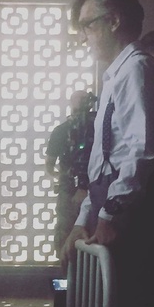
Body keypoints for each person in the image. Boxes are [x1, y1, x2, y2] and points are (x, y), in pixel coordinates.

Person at [63, 0, 154, 307]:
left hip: (136, 216)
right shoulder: (115, 76)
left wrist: (111, 212)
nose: (85, 36)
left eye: (88, 25)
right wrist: (84, 218)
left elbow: (142, 151)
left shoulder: (137, 69)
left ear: (113, 21)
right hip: (114, 207)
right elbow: (104, 162)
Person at [45, 90, 96, 274]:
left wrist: (63, 177)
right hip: (84, 191)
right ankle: (69, 283)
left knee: (72, 238)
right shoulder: (95, 127)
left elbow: (49, 165)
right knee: (71, 237)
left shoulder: (63, 130)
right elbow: (49, 164)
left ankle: (71, 286)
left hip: (83, 192)